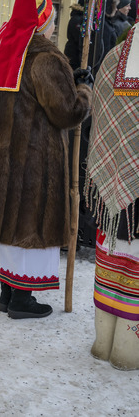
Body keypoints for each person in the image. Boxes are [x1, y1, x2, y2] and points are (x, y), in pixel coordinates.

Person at [0, 0, 91, 320]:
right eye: (52, 20)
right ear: (43, 23)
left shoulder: (9, 52)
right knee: (30, 226)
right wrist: (83, 90)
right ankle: (23, 300)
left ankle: (8, 294)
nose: (55, 25)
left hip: (5, 156)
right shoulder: (45, 57)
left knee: (10, 226)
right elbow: (65, 112)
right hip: (36, 159)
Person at [85, 24, 139, 371]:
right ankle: (126, 353)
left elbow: (104, 121)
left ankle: (103, 345)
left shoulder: (112, 57)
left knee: (111, 261)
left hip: (112, 187)